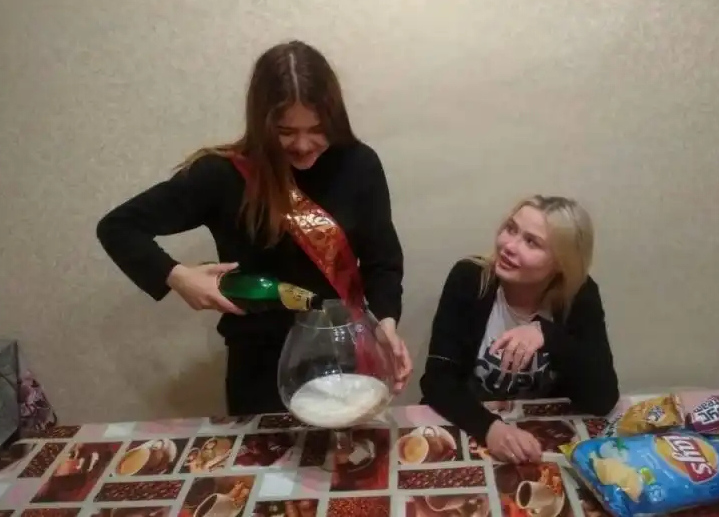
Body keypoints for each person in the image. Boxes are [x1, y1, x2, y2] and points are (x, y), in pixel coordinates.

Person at [97, 40, 412, 416]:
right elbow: (118, 226)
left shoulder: (359, 165)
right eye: (285, 131)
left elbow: (382, 261)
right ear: (261, 122)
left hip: (347, 355)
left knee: (352, 455)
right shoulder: (223, 174)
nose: (303, 145)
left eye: (317, 129)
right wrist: (178, 277)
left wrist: (385, 322)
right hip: (260, 369)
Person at [420, 195, 619, 464]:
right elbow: (437, 381)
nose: (509, 246)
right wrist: (489, 428)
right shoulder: (470, 278)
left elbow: (602, 399)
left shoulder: (579, 294)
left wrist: (549, 336)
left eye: (531, 242)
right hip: (470, 422)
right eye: (511, 229)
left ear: (561, 262)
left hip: (540, 435)